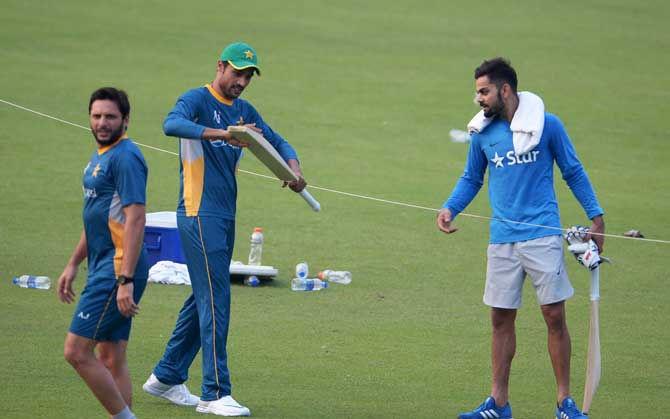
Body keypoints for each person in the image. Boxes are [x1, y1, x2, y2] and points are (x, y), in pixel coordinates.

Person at [142, 41, 307, 417]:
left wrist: (292, 167)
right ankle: (214, 393)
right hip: (198, 214)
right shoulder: (196, 100)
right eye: (237, 72)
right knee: (216, 299)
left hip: (225, 217)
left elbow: (277, 140)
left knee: (204, 296)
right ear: (220, 66)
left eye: (248, 75)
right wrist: (224, 134)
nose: (242, 81)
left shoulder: (246, 110)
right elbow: (171, 124)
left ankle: (166, 376)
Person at [436, 58, 605, 419]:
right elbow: (471, 178)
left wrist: (597, 216)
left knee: (554, 315)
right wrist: (450, 208)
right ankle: (498, 403)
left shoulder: (548, 126)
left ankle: (564, 403)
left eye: (484, 91)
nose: (478, 98)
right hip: (501, 239)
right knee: (500, 319)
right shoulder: (483, 133)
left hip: (542, 234)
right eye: (477, 91)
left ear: (505, 89)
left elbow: (573, 170)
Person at [58, 87, 149, 419]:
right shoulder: (100, 155)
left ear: (125, 119)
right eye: (96, 116)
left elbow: (135, 218)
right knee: (111, 357)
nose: (102, 122)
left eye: (110, 116)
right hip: (102, 265)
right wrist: (72, 263)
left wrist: (125, 278)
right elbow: (97, 216)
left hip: (117, 268)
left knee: (76, 351)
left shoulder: (126, 157)